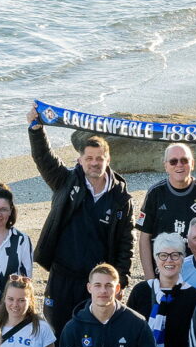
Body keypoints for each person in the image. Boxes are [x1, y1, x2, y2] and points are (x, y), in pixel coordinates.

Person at [29, 124, 135, 326]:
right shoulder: (65, 182)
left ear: (108, 160)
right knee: (58, 333)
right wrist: (35, 130)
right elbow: (44, 157)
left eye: (99, 158)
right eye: (89, 158)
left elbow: (126, 244)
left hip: (98, 283)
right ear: (80, 160)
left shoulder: (121, 198)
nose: (94, 163)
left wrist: (120, 281)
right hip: (62, 277)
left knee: (93, 333)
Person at [126, 234, 196, 347]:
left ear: (182, 259)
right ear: (155, 259)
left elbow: (195, 342)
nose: (169, 260)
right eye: (163, 255)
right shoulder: (141, 291)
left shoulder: (193, 296)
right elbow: (129, 333)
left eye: (175, 255)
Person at [57, 263, 156, 347]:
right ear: (89, 288)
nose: (103, 290)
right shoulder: (73, 328)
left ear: (118, 289)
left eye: (109, 285)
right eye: (97, 285)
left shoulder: (137, 323)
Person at [137, 142, 196, 282]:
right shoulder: (155, 193)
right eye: (173, 161)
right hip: (163, 272)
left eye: (184, 160)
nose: (179, 165)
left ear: (192, 163)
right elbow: (144, 238)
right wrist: (150, 280)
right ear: (166, 166)